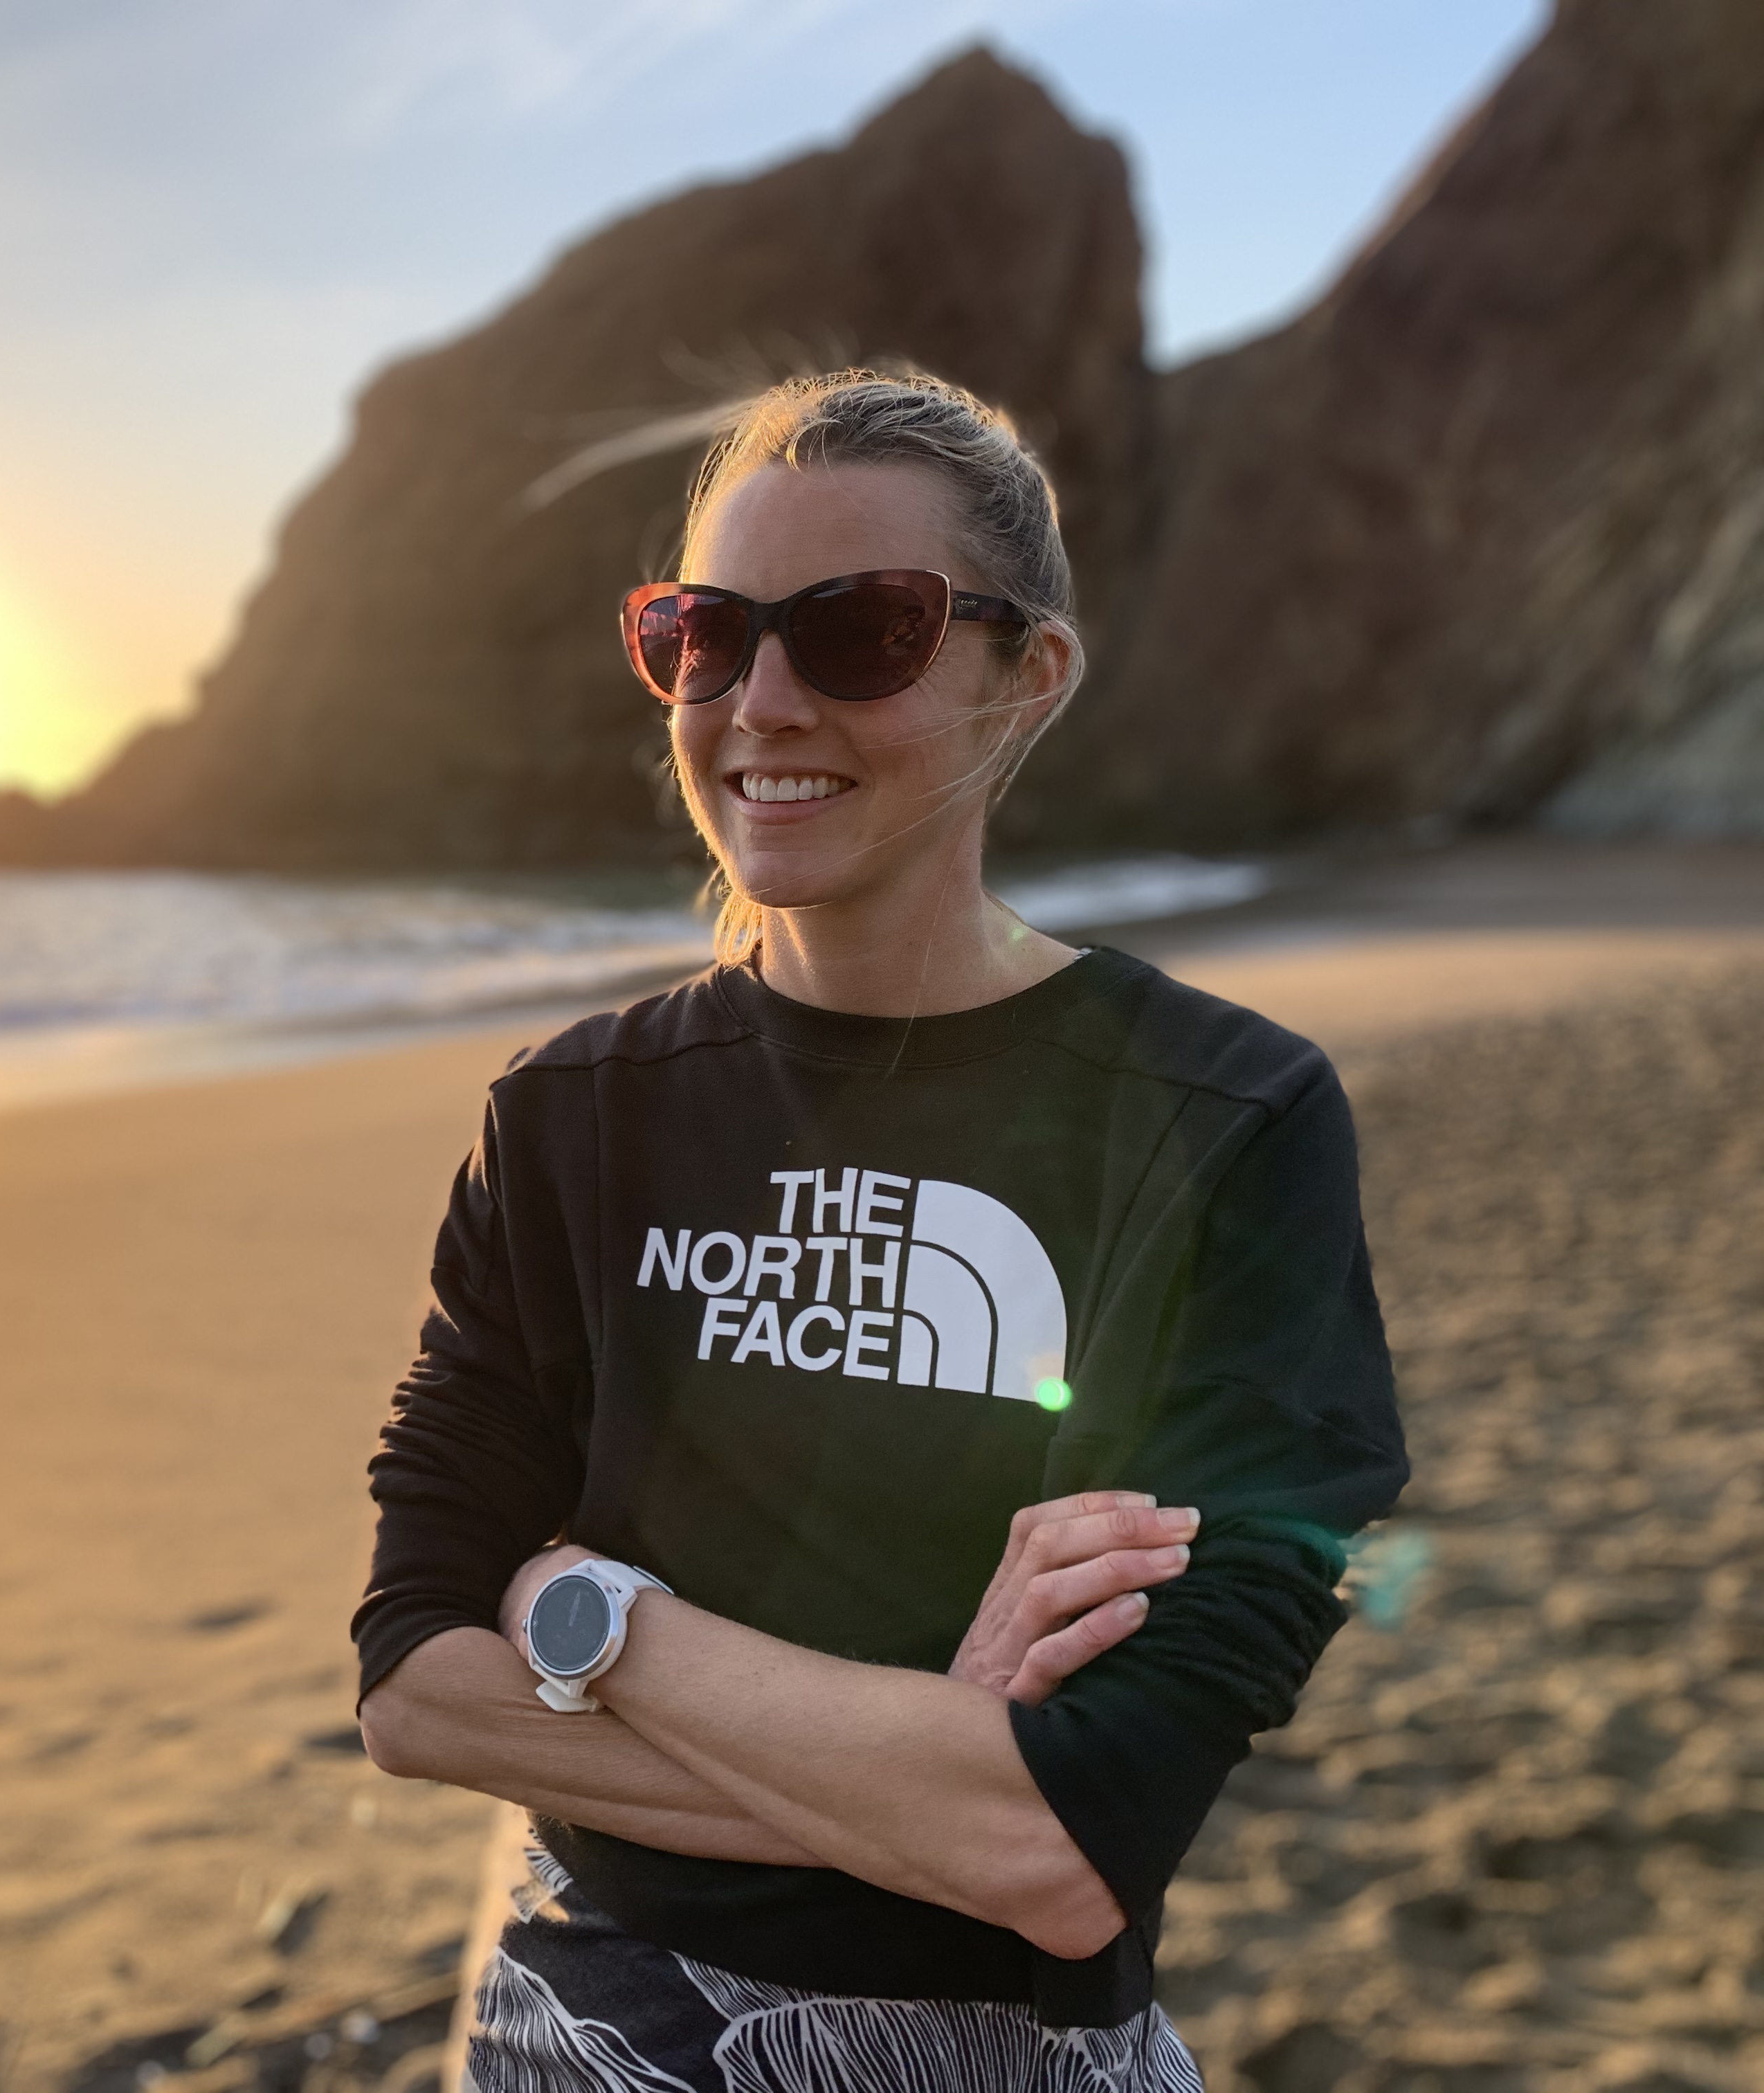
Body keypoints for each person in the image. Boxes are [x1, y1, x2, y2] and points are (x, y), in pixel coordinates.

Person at [352, 370, 1408, 2092]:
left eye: (861, 631)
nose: (761, 701)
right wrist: (930, 1758)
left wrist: (586, 1612)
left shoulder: (1224, 1123)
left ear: (1024, 675)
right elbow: (411, 1685)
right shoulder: (569, 1117)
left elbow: (1064, 1850)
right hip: (578, 2038)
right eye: (705, 634)